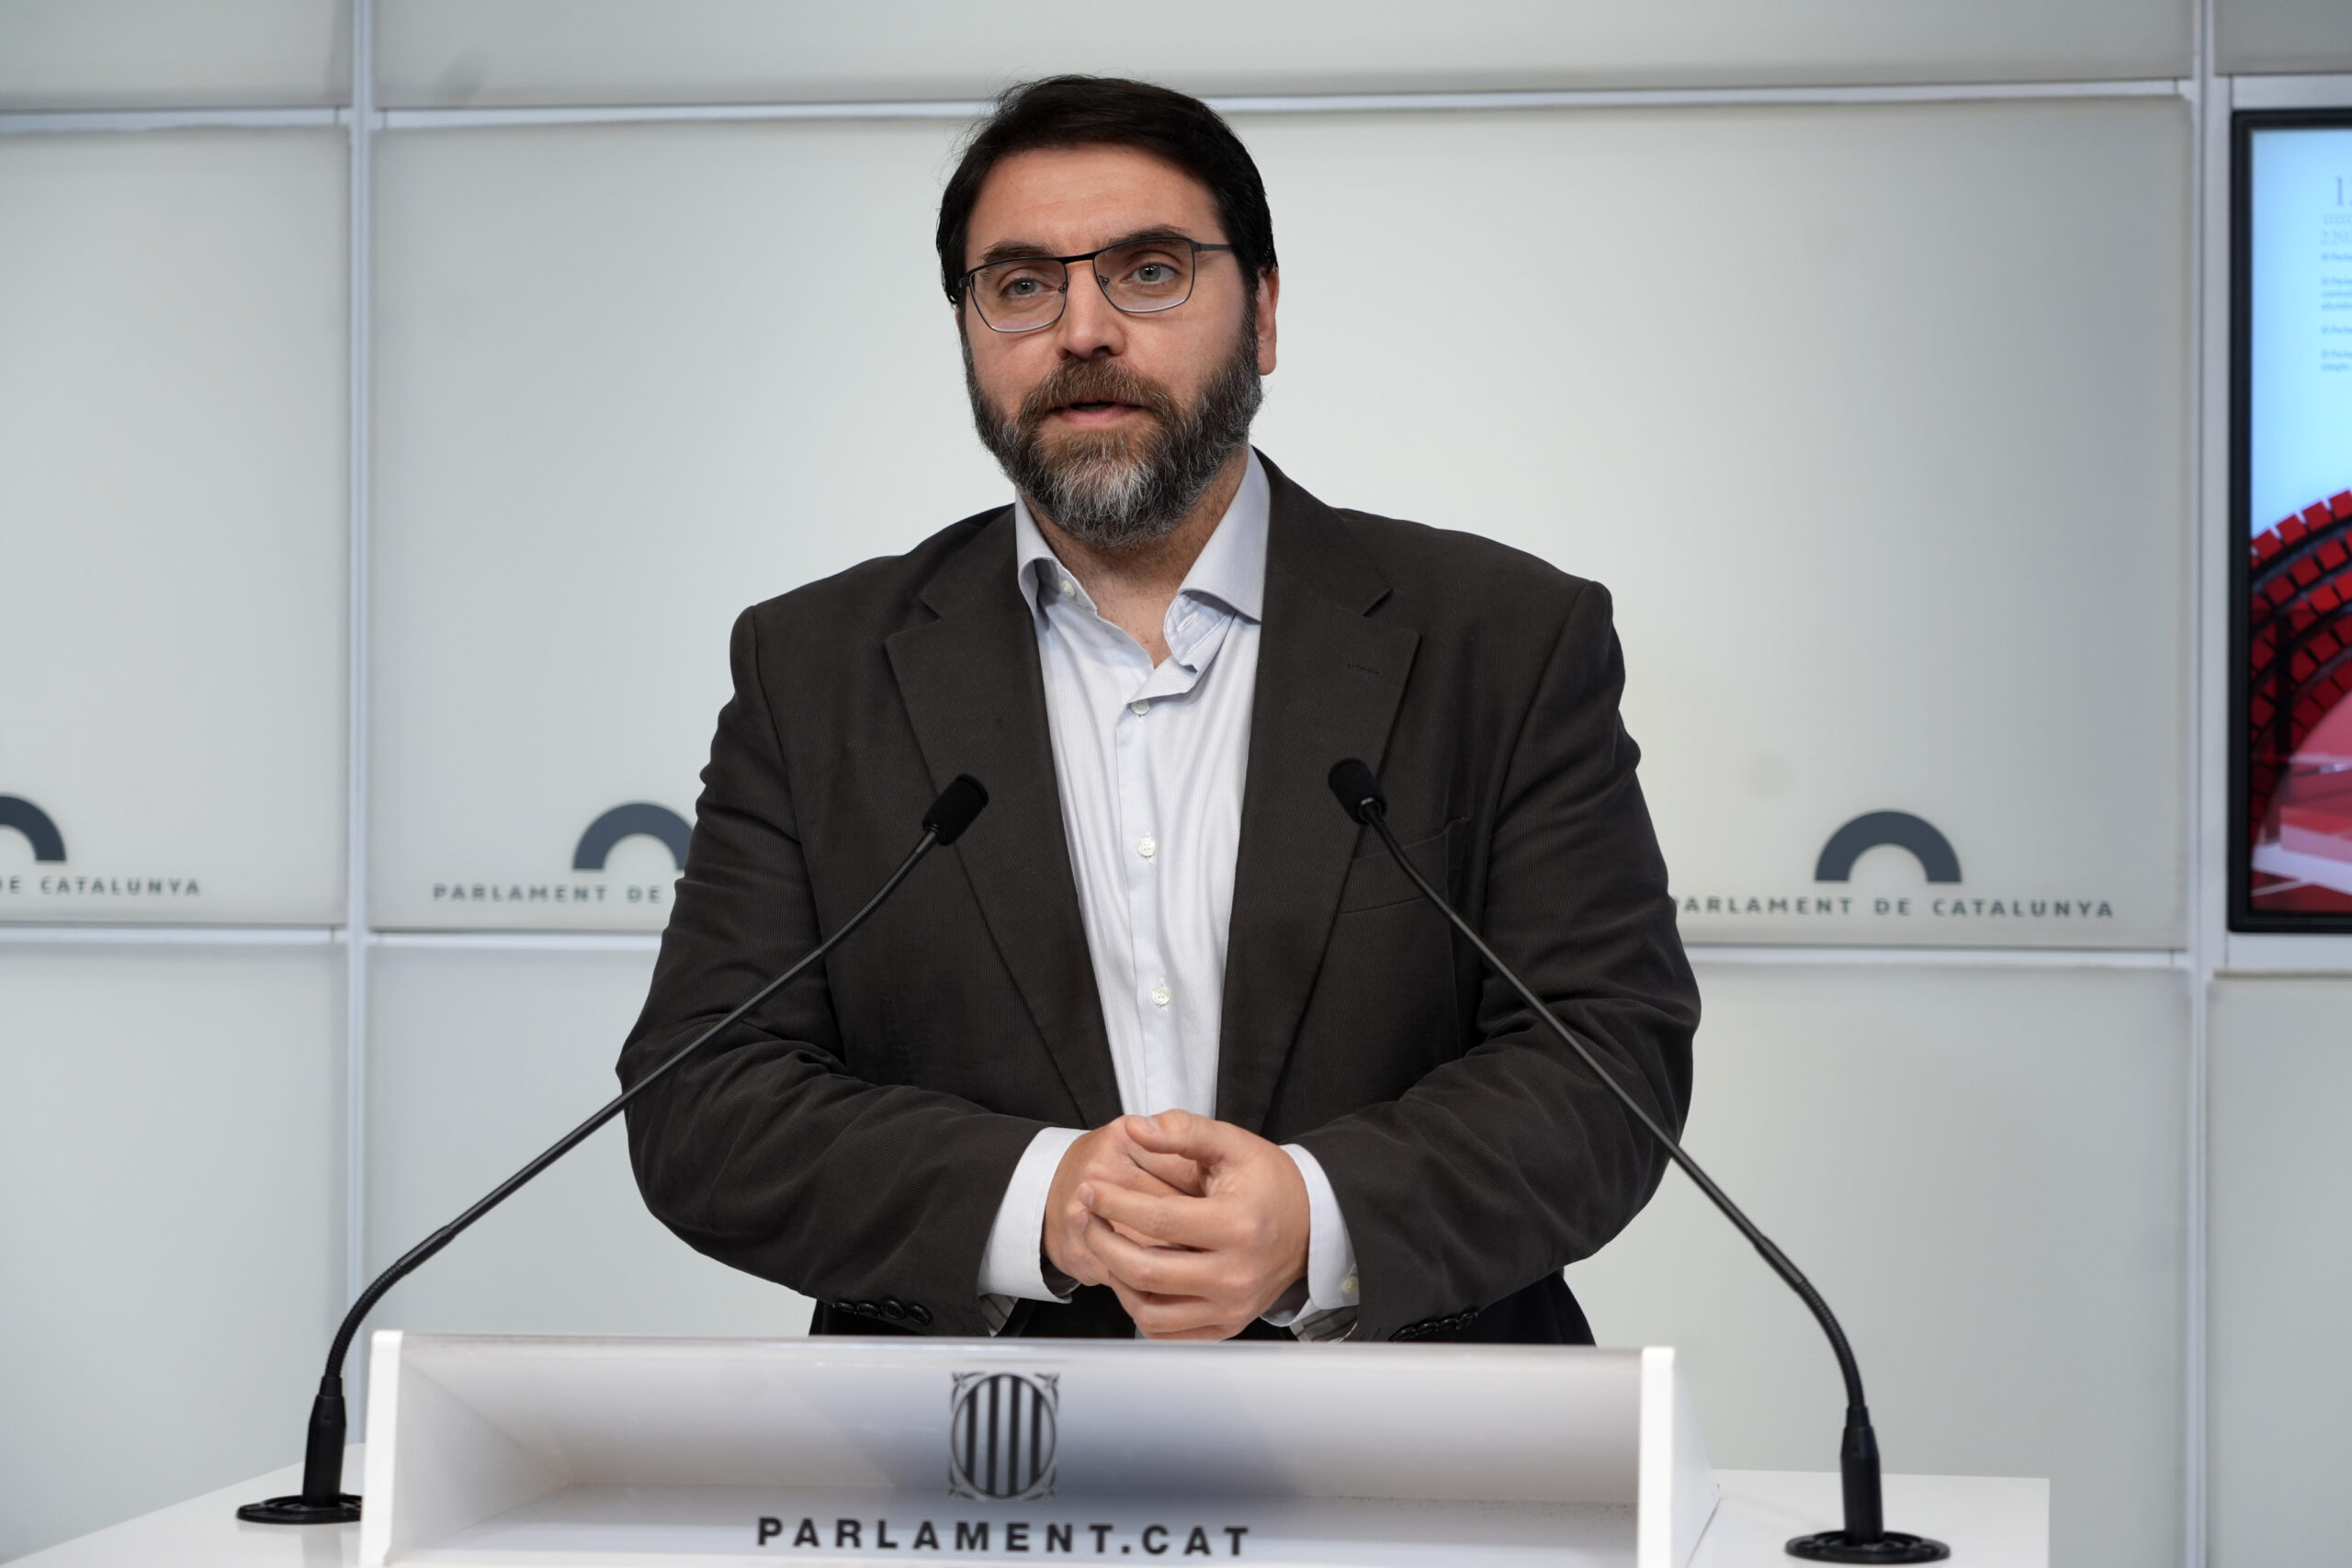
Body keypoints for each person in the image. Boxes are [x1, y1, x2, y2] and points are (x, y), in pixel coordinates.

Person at [617, 75, 1697, 1345]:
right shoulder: (816, 669)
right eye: (1023, 284)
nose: (1082, 331)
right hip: (965, 1441)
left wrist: (1316, 1218)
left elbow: (1603, 1059)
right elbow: (706, 1099)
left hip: (1418, 1423)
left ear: (1265, 314)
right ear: (969, 330)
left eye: (1149, 272)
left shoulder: (1504, 642)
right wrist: (1040, 1200)